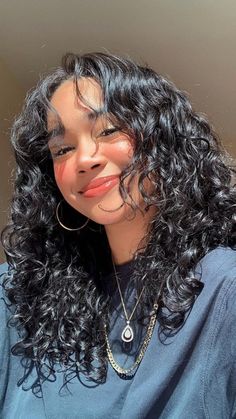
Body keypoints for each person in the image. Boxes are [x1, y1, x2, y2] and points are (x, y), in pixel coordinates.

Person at [0, 52, 236, 419]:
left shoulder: (226, 287)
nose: (84, 158)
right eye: (62, 149)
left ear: (162, 137)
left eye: (108, 130)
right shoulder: (17, 298)